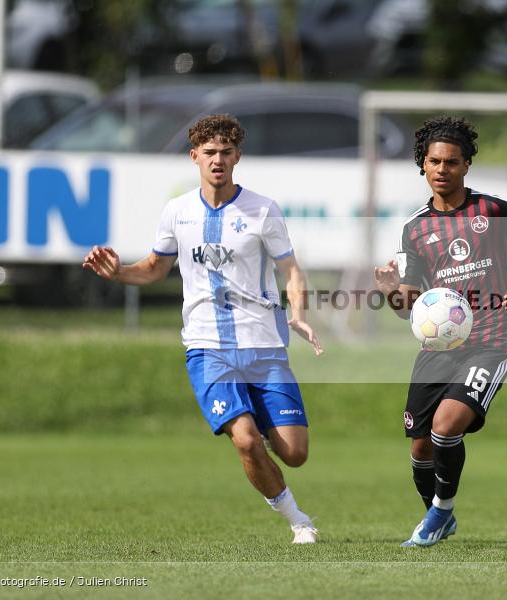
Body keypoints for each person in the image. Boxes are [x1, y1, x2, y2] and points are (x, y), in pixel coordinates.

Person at [83, 114, 323, 544]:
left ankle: (262, 432)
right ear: (194, 156)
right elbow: (155, 269)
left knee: (295, 453)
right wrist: (119, 272)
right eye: (209, 153)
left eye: (226, 153)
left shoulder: (263, 210)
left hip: (264, 345)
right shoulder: (177, 211)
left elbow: (292, 270)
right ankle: (298, 520)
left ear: (237, 157)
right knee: (246, 441)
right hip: (207, 347)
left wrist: (298, 312)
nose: (218, 160)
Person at [374, 116, 507, 547]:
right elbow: (408, 306)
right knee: (421, 447)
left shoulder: (491, 212)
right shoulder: (415, 229)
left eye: (452, 162)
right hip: (439, 346)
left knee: (446, 424)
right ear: (422, 165)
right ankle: (439, 514)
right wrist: (389, 292)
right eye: (434, 161)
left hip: (491, 341)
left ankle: (440, 513)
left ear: (467, 165)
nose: (443, 169)